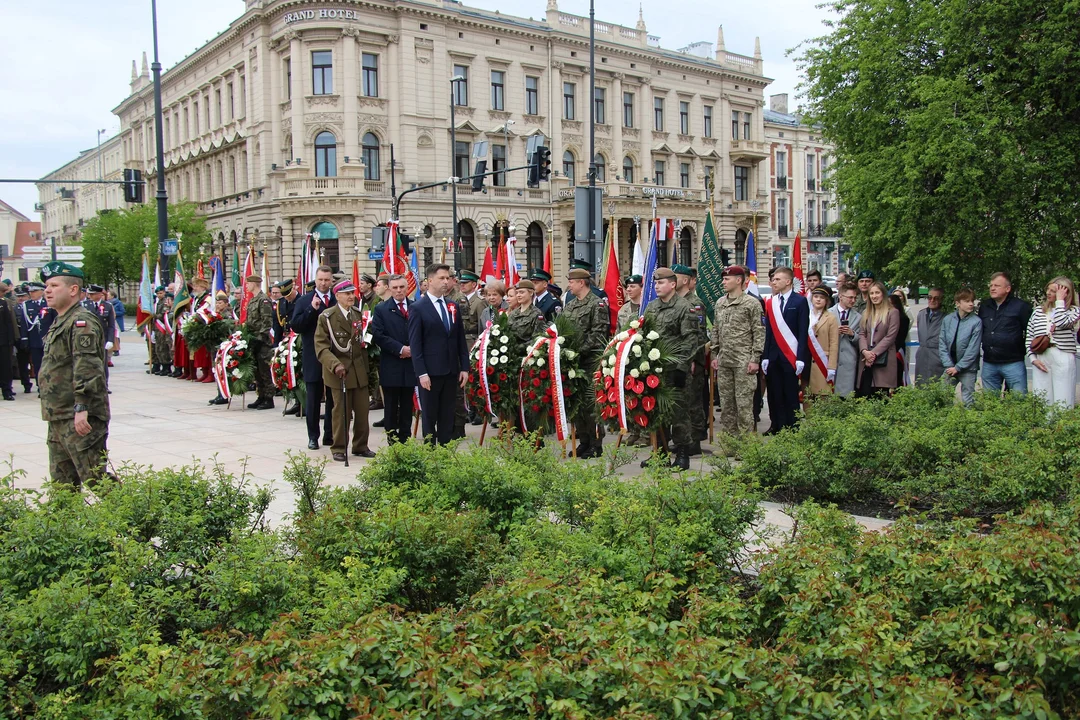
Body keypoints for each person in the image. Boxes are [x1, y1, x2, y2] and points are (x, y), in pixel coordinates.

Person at [37, 261, 111, 489]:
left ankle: (135, 522)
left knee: (96, 480)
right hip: (59, 415)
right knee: (63, 486)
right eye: (47, 285)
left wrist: (82, 407)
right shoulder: (61, 320)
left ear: (73, 290)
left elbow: (87, 367)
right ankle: (65, 525)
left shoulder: (81, 322)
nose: (47, 290)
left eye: (54, 285)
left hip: (79, 416)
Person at [314, 279, 375, 461]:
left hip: (358, 371)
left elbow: (363, 342)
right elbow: (321, 347)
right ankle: (339, 447)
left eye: (352, 293)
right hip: (339, 373)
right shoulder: (327, 317)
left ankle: (360, 445)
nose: (351, 296)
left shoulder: (357, 314)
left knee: (363, 412)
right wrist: (335, 365)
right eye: (347, 293)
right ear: (337, 295)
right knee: (341, 413)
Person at [643, 267, 698, 469]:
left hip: (675, 370)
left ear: (673, 285)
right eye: (656, 283)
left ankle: (682, 453)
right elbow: (645, 335)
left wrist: (681, 368)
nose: (657, 286)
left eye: (662, 282)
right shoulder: (651, 307)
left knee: (679, 413)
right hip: (655, 370)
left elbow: (691, 340)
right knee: (657, 411)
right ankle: (660, 453)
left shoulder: (684, 307)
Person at [408, 264, 469, 446]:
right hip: (430, 373)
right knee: (430, 415)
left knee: (447, 414)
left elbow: (460, 339)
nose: (446, 281)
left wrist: (464, 367)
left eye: (448, 278)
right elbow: (415, 344)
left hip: (451, 371)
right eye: (441, 278)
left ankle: (445, 449)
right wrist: (422, 373)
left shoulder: (453, 306)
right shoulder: (418, 308)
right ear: (429, 281)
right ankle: (430, 451)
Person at [710, 266, 764, 437]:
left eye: (727, 279)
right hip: (725, 360)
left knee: (744, 405)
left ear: (739, 280)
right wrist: (714, 354)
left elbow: (759, 331)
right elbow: (716, 330)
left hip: (743, 361)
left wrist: (755, 358)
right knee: (727, 405)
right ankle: (730, 444)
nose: (723, 282)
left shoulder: (751, 303)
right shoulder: (720, 303)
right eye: (723, 279)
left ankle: (746, 446)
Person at [562, 268, 610, 458]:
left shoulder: (596, 305)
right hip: (573, 362)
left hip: (589, 362)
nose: (569, 285)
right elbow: (562, 329)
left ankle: (596, 443)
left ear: (581, 283)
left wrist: (577, 351)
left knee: (591, 404)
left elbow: (598, 335)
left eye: (572, 282)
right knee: (577, 403)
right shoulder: (570, 306)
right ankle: (583, 440)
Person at [289, 265, 336, 449]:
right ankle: (313, 437)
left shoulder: (336, 299)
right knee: (313, 399)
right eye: (320, 280)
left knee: (333, 398)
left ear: (331, 281)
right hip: (313, 355)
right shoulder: (305, 300)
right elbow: (296, 326)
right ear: (315, 280)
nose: (323, 283)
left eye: (327, 280)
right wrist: (311, 309)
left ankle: (330, 435)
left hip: (333, 356)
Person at [762, 266, 810, 434]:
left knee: (790, 393)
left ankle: (793, 426)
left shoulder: (800, 301)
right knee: (775, 393)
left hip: (791, 355)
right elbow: (768, 331)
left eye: (777, 279)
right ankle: (778, 425)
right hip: (774, 355)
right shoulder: (771, 302)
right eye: (773, 279)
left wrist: (800, 357)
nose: (773, 282)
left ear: (788, 281)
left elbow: (803, 331)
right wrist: (766, 356)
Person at [372, 274, 417, 444]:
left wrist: (413, 349)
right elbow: (378, 334)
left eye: (402, 287)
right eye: (395, 287)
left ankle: (405, 437)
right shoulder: (382, 309)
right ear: (390, 289)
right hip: (392, 363)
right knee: (391, 405)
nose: (399, 291)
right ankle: (392, 438)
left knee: (407, 404)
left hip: (411, 363)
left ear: (407, 288)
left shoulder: (415, 307)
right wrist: (400, 349)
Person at [1026, 276, 1078, 409]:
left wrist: (1060, 301)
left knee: (1063, 399)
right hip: (1042, 355)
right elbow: (1030, 335)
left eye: (1054, 291)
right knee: (1042, 397)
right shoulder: (1038, 311)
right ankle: (1043, 428)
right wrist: (1033, 358)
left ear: (1065, 293)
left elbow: (1062, 322)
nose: (1048, 293)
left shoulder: (1073, 311)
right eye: (1048, 289)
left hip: (1063, 354)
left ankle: (1062, 428)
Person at [978, 271, 1033, 395]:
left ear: (1008, 288)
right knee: (990, 402)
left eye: (997, 286)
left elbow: (1030, 332)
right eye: (991, 285)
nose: (992, 288)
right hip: (989, 362)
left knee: (1018, 401)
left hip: (1013, 363)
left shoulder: (1021, 307)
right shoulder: (985, 306)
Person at [938, 287, 982, 407]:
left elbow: (973, 349)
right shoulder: (948, 319)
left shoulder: (976, 321)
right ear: (958, 303)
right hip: (950, 366)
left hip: (967, 368)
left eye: (972, 301)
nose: (971, 304)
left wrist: (958, 367)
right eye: (967, 301)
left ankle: (968, 424)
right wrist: (948, 365)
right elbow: (942, 343)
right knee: (944, 396)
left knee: (968, 400)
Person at [856, 281, 901, 398]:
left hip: (883, 359)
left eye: (877, 293)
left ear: (883, 294)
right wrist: (865, 351)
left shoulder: (893, 312)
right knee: (866, 394)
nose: (874, 296)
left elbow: (890, 337)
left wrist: (873, 354)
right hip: (866, 359)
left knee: (881, 396)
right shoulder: (866, 312)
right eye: (871, 293)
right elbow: (862, 333)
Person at [243, 275, 276, 409]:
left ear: (254, 284)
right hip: (253, 340)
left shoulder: (264, 300)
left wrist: (260, 338)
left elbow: (267, 321)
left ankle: (269, 398)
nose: (246, 286)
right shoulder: (252, 301)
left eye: (248, 283)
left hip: (262, 342)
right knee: (257, 371)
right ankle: (261, 395)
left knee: (264, 371)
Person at [828, 282, 863, 398]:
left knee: (846, 397)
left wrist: (852, 334)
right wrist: (833, 332)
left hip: (849, 362)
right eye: (850, 297)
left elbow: (862, 340)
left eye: (854, 298)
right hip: (831, 360)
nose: (853, 300)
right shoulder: (828, 314)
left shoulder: (858, 317)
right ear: (841, 296)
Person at [806, 286, 839, 397]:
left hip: (823, 361)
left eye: (821, 297)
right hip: (807, 361)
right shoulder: (806, 315)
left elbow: (834, 344)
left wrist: (831, 366)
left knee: (823, 396)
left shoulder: (831, 318)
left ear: (826, 301)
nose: (818, 299)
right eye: (815, 297)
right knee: (807, 396)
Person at [913, 287, 946, 385]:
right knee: (920, 386)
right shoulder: (922, 314)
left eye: (936, 298)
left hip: (937, 357)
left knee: (935, 388)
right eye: (930, 297)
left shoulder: (946, 316)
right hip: (922, 356)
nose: (932, 300)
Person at [889, 291, 910, 387]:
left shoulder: (903, 319)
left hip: (897, 352)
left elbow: (899, 339)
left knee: (897, 379)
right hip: (887, 352)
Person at [151, 287, 173, 376]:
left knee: (163, 348)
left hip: (163, 327)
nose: (159, 295)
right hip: (156, 328)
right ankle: (160, 365)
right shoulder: (156, 303)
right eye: (158, 294)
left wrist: (153, 315)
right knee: (158, 348)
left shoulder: (165, 302)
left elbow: (162, 315)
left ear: (164, 292)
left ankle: (166, 367)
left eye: (161, 293)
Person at [0, 283, 16, 400]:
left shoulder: (3, 303)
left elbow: (8, 322)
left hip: (3, 341)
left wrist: (11, 339)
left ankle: (7, 390)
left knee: (6, 366)